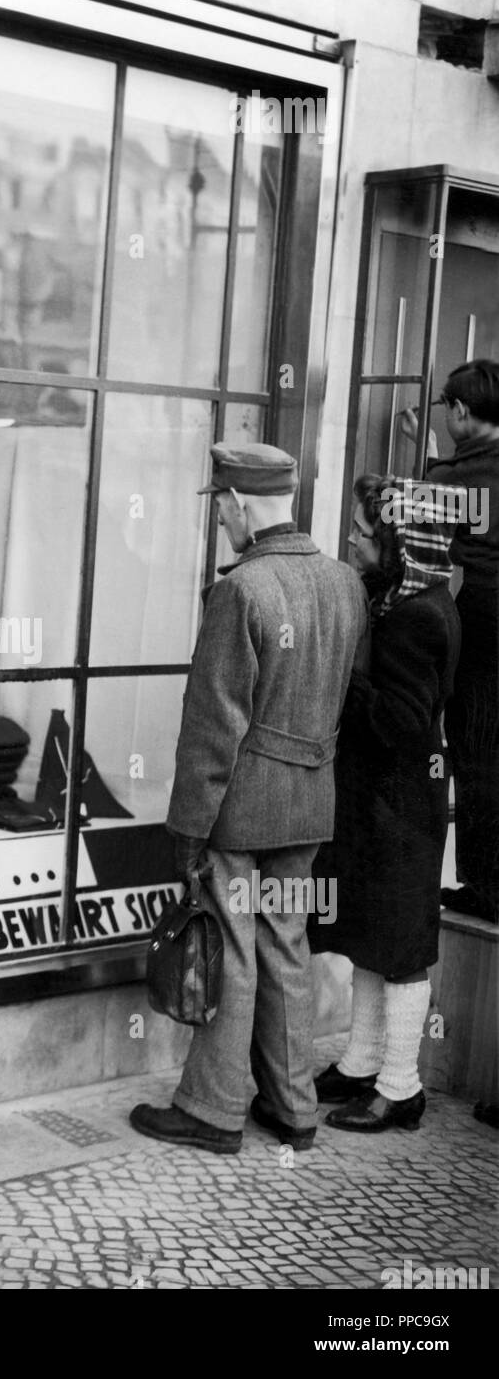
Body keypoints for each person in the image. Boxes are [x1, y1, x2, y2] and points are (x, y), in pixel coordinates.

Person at [130, 443, 367, 1155]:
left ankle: (211, 1110)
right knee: (284, 946)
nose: (221, 522)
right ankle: (294, 1108)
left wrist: (186, 828)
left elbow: (212, 728)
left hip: (240, 806)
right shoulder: (343, 582)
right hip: (308, 798)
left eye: (221, 507)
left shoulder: (241, 590)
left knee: (231, 948)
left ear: (237, 503)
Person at [310, 476, 462, 1132]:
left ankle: (400, 1086)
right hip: (386, 801)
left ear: (399, 540)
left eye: (363, 530)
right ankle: (360, 1062)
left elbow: (402, 724)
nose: (349, 537)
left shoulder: (415, 618)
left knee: (398, 945)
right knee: (372, 932)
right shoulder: (399, 600)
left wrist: (344, 683)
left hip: (399, 807)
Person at [412, 360, 499, 925]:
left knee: (477, 751)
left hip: (487, 621)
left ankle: (486, 887)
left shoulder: (457, 479)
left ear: (460, 411)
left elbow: (406, 523)